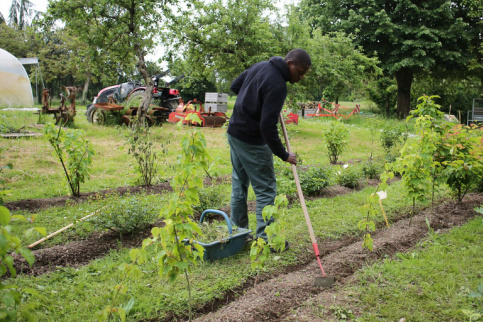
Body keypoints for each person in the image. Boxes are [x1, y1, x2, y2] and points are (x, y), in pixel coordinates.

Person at [227, 48, 312, 250]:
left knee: (239, 186)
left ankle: (239, 235)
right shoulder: (278, 85)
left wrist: (254, 100)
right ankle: (267, 241)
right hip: (252, 141)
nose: (300, 78)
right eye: (299, 72)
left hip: (234, 133)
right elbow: (267, 126)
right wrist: (284, 154)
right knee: (265, 190)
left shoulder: (260, 66)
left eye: (303, 75)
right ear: (290, 63)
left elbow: (235, 86)